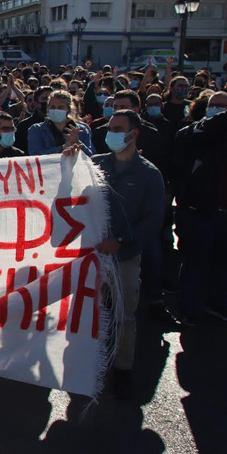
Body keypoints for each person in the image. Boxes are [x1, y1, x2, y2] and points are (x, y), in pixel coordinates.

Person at [65, 109, 165, 400]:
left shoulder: (149, 174)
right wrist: (69, 157)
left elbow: (153, 219)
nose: (110, 133)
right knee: (88, 312)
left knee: (124, 316)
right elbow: (72, 191)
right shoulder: (97, 165)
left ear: (133, 134)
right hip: (92, 257)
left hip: (125, 258)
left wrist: (120, 240)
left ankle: (122, 370)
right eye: (109, 128)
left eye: (117, 129)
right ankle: (88, 364)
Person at [172, 92, 227, 326]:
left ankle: (217, 304)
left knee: (221, 263)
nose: (217, 110)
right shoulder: (192, 133)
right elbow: (178, 167)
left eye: (223, 106)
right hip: (197, 210)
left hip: (223, 211)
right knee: (195, 262)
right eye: (213, 105)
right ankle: (190, 309)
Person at [27, 90, 92, 156]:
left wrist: (77, 142)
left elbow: (92, 157)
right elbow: (35, 155)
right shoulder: (36, 130)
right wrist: (62, 148)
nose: (56, 110)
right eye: (53, 107)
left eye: (60, 107)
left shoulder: (82, 130)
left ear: (68, 110)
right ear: (48, 108)